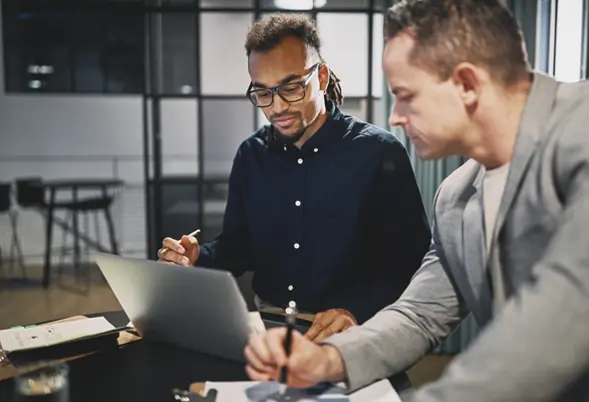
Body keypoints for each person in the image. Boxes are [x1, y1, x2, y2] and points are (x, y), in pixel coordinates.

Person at [243, 0, 589, 400]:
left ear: (467, 84)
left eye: (404, 95)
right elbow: (419, 314)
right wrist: (328, 360)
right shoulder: (453, 198)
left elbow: (563, 319)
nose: (394, 116)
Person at [157, 13, 431, 342]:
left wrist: (355, 309)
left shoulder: (379, 153)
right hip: (267, 327)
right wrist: (198, 256)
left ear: (323, 77)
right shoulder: (251, 155)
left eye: (291, 88)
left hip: (353, 331)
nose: (277, 107)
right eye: (263, 93)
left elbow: (410, 263)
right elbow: (238, 248)